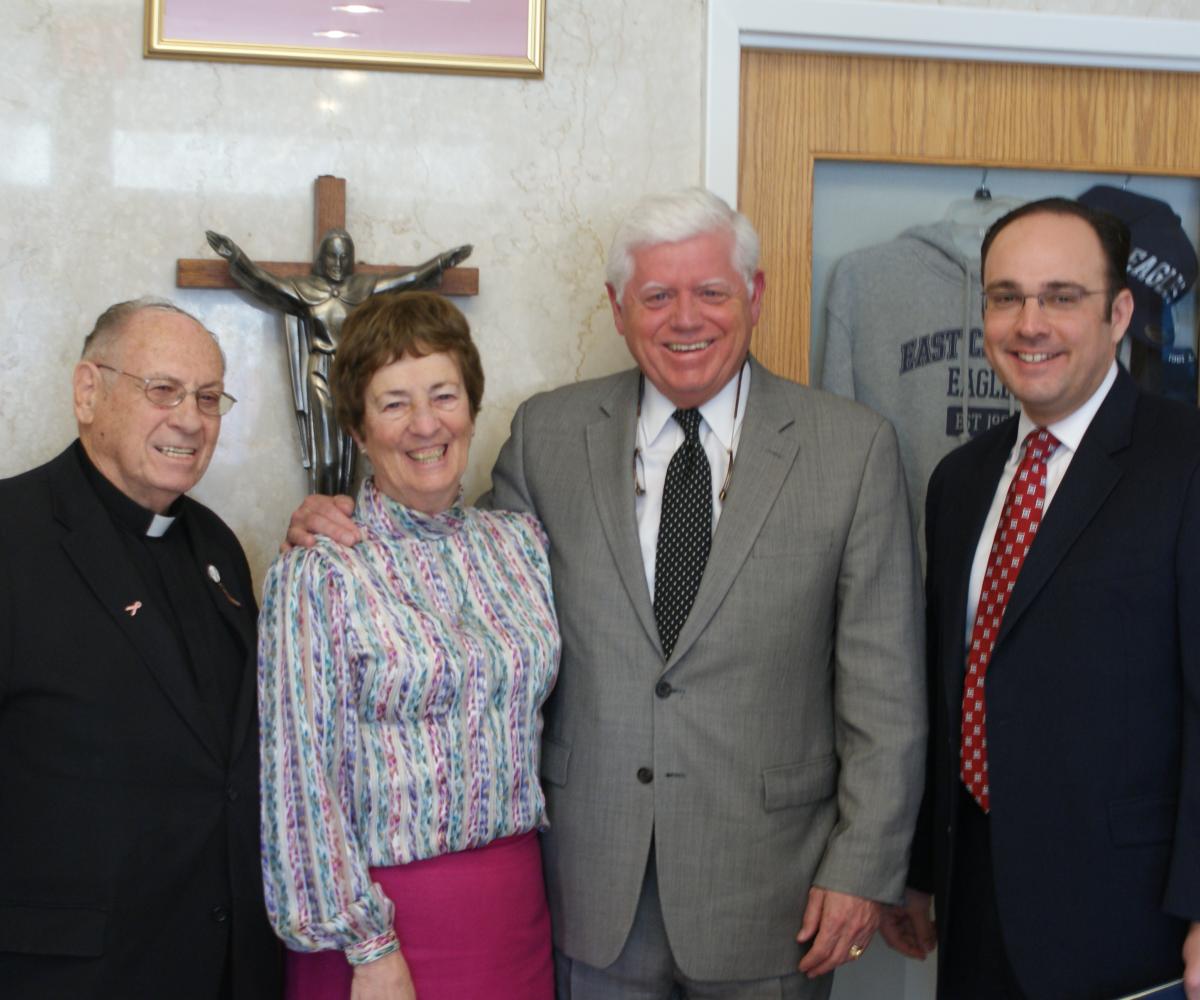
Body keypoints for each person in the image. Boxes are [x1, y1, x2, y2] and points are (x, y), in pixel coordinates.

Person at [289, 189, 925, 999]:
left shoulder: (852, 448)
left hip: (774, 891)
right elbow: (456, 582)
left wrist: (864, 866)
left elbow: (887, 689)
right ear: (619, 309)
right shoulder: (550, 434)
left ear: (755, 296)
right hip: (587, 893)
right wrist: (336, 512)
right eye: (657, 296)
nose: (684, 318)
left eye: (711, 293)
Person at [880, 197, 1200, 1000]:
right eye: (1006, 297)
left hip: (1132, 916)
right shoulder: (960, 480)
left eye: (1062, 297)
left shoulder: (1186, 460)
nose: (1031, 323)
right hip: (975, 898)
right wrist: (921, 866)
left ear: (1120, 312)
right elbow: (952, 685)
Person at [258, 291, 560, 999]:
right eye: (394, 403)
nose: (425, 425)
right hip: (383, 925)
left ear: (473, 408)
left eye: (443, 395)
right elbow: (299, 779)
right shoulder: (320, 568)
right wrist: (368, 945)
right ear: (358, 430)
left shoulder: (521, 544)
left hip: (516, 907)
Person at [0, 298, 281, 997]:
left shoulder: (216, 543)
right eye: (163, 390)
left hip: (227, 964)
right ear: (88, 391)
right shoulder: (11, 534)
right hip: (72, 971)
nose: (190, 418)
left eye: (209, 397)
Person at [206, 227, 471, 495]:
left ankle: (345, 510)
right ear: (322, 259)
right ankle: (324, 506)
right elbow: (265, 283)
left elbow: (408, 280)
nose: (338, 263)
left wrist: (442, 262)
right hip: (320, 371)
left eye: (344, 257)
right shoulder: (307, 290)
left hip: (353, 378)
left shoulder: (363, 289)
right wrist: (236, 257)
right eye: (332, 257)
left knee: (353, 460)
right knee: (329, 459)